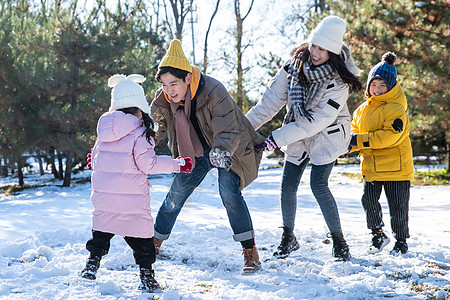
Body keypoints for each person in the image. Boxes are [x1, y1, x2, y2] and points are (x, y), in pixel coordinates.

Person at [246, 16, 363, 261]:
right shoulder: (293, 68)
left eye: (322, 48)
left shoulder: (339, 81)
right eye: (313, 45)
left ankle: (339, 242)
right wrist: (242, 130)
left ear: (332, 50)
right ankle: (288, 238)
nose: (315, 52)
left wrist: (276, 138)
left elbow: (318, 121)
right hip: (298, 128)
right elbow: (268, 105)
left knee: (318, 185)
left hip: (326, 135)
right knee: (287, 185)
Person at [149, 39, 265, 274]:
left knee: (228, 191)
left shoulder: (214, 90)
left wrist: (222, 151)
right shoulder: (163, 101)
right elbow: (153, 130)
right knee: (176, 194)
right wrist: (135, 147)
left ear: (188, 78)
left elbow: (228, 127)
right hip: (194, 152)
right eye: (164, 85)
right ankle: (154, 243)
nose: (169, 90)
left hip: (228, 148)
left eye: (174, 84)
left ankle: (250, 252)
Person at [80, 74, 193, 292]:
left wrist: (92, 161)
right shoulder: (140, 132)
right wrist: (177, 164)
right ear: (139, 107)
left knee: (101, 234)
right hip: (132, 202)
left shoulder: (103, 131)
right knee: (142, 240)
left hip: (105, 200)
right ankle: (147, 276)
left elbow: (96, 158)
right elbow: (148, 164)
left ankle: (91, 265)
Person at [349, 52, 414, 255]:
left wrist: (358, 141)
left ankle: (401, 241)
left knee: (398, 207)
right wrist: (347, 144)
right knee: (368, 201)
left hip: (396, 168)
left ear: (392, 86)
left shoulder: (396, 109)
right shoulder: (361, 110)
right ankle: (377, 234)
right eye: (373, 84)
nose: (377, 89)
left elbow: (389, 137)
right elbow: (353, 131)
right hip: (372, 167)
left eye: (382, 85)